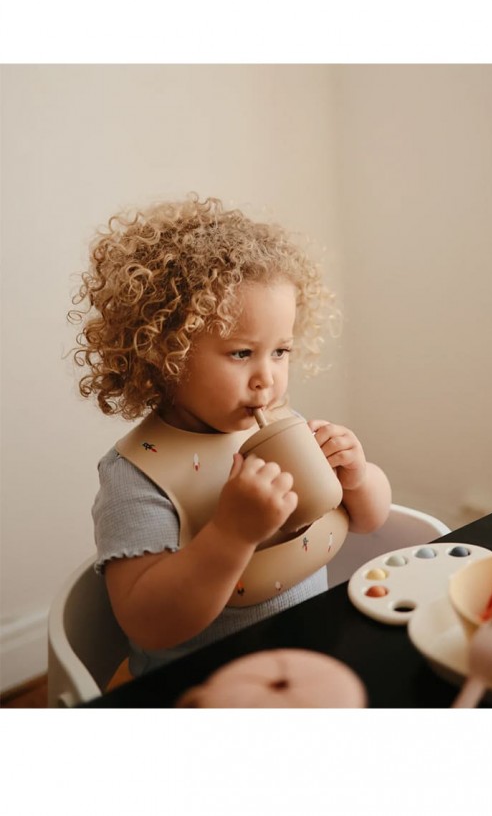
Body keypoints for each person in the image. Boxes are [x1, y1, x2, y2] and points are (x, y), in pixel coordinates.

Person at [70, 194, 391, 677]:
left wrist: (358, 476)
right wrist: (231, 534)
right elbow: (150, 621)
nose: (268, 378)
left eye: (280, 351)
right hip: (205, 691)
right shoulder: (137, 477)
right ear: (166, 353)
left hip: (312, 665)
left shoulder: (284, 426)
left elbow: (369, 520)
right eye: (242, 353)